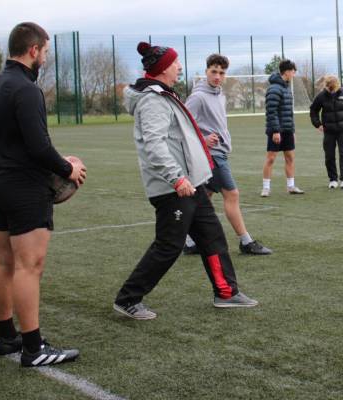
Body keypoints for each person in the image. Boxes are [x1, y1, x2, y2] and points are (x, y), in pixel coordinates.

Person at [113, 41, 258, 320]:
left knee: (212, 236)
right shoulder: (153, 100)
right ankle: (128, 298)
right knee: (168, 246)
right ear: (162, 68)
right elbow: (155, 146)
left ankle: (226, 292)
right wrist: (177, 179)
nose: (180, 67)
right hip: (174, 188)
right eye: (175, 62)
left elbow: (176, 138)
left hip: (192, 184)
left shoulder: (165, 95)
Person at [0, 22, 86, 367]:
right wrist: (66, 169)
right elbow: (38, 146)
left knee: (5, 262)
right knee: (30, 266)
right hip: (23, 187)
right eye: (45, 52)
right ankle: (32, 347)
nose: (45, 58)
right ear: (33, 50)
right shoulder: (26, 89)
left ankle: (7, 337)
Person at [183, 54, 272, 256]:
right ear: (205, 71)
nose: (217, 76)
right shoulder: (197, 97)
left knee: (203, 197)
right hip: (212, 155)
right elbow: (183, 126)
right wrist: (203, 140)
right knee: (232, 194)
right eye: (213, 71)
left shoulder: (220, 95)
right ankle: (246, 241)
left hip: (220, 152)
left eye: (221, 73)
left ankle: (188, 241)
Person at [261, 59, 304, 197]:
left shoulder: (286, 88)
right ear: (286, 72)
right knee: (271, 158)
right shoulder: (274, 88)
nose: (294, 74)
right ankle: (266, 188)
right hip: (276, 131)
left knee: (290, 157)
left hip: (287, 130)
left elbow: (288, 112)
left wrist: (292, 130)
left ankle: (291, 187)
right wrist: (275, 131)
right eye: (293, 71)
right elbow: (271, 111)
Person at [310, 75, 343, 189]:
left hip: (342, 130)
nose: (332, 90)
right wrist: (317, 124)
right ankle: (333, 179)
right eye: (330, 88)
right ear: (326, 86)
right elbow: (313, 111)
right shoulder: (321, 96)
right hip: (329, 131)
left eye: (334, 88)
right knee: (329, 156)